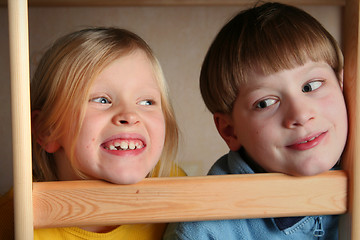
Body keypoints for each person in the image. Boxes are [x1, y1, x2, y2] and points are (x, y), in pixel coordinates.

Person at [164, 2, 347, 239]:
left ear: (343, 87)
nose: (300, 115)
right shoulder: (204, 229)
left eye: (310, 86)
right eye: (265, 103)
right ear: (230, 131)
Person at [0, 27, 185, 239]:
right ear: (47, 129)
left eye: (146, 101)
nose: (130, 115)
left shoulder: (176, 187)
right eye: (102, 100)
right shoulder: (14, 219)